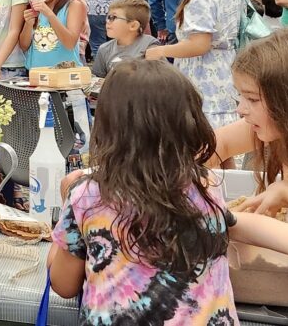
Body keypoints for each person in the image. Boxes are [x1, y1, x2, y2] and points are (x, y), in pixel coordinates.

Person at [48, 60, 237, 323]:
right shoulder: (205, 185)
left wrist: (64, 220)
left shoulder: (87, 195)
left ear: (107, 126)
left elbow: (63, 284)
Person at [145, 0, 242, 129]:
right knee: (225, 134)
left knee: (204, 135)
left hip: (203, 77)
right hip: (225, 69)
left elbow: (199, 44)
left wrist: (160, 51)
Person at [212, 28, 288, 215]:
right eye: (240, 95)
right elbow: (217, 144)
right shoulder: (277, 125)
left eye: (252, 99)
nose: (240, 109)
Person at [90, 0, 160, 78]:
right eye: (108, 17)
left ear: (133, 26)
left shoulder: (150, 45)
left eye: (113, 17)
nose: (107, 21)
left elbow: (159, 78)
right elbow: (98, 80)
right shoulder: (104, 49)